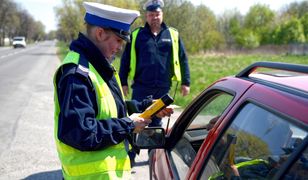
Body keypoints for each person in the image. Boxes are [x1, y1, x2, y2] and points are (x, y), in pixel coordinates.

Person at [53, 2, 173, 179]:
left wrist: (146, 107)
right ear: (100, 34)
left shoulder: (97, 66)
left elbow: (108, 109)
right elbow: (79, 131)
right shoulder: (77, 74)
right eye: (118, 40)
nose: (120, 47)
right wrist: (128, 125)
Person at [119, 0, 190, 128]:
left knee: (156, 124)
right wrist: (123, 82)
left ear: (162, 14)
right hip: (141, 87)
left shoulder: (173, 34)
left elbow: (183, 59)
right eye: (151, 15)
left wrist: (186, 82)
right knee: (138, 119)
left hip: (163, 87)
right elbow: (125, 60)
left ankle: (154, 148)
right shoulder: (137, 35)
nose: (154, 17)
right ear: (147, 16)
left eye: (157, 14)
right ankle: (134, 148)